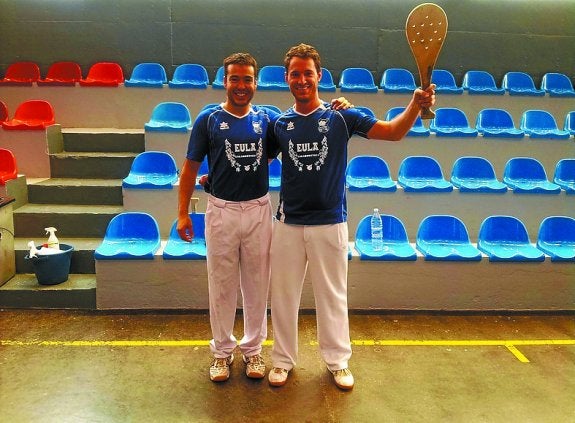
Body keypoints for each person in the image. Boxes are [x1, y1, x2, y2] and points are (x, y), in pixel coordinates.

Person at [266, 43, 436, 390]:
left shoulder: (341, 116)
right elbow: (257, 162)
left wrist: (415, 105)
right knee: (282, 297)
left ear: (319, 76)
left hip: (330, 222)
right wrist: (214, 179)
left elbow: (393, 132)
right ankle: (282, 361)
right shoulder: (279, 124)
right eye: (295, 74)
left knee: (333, 296)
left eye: (308, 73)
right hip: (287, 224)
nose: (302, 80)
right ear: (286, 78)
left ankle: (338, 362)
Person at [177, 52, 352, 383]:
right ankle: (221, 353)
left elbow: (289, 139)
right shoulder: (208, 119)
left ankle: (253, 350)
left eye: (247, 79)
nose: (241, 86)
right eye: (235, 79)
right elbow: (189, 168)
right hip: (221, 212)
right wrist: (183, 213)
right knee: (221, 285)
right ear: (225, 81)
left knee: (257, 286)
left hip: (259, 210)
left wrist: (337, 105)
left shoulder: (268, 119)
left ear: (256, 83)